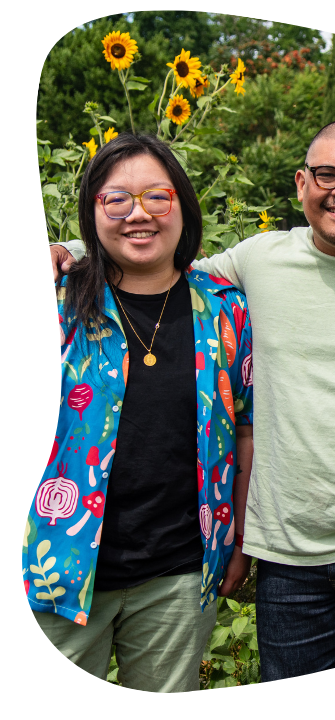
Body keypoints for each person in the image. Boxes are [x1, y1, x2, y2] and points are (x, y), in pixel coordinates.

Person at [49, 120, 335, 681]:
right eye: (327, 174)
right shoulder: (257, 262)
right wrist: (72, 250)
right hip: (285, 558)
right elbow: (158, 262)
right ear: (301, 184)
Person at [30, 133, 254, 692]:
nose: (139, 214)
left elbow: (244, 428)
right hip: (54, 565)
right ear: (93, 211)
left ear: (182, 205)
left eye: (158, 196)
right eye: (117, 199)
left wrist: (240, 539)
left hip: (179, 572)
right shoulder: (62, 301)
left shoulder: (225, 308)